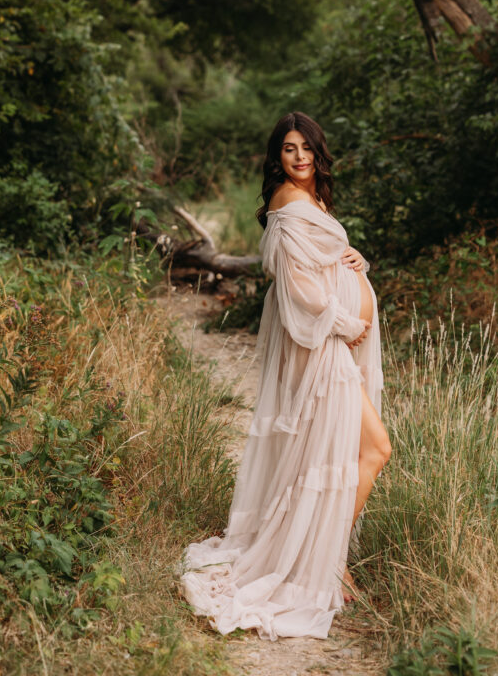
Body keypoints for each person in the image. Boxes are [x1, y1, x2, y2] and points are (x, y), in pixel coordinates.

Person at [178, 111, 390, 640]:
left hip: (330, 344)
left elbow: (318, 262)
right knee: (373, 449)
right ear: (279, 156)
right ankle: (328, 562)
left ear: (318, 151)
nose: (298, 157)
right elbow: (296, 286)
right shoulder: (289, 202)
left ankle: (325, 556)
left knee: (336, 452)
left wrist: (353, 261)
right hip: (322, 346)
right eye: (288, 150)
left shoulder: (311, 201)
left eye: (306, 148)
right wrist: (345, 323)